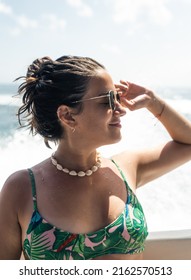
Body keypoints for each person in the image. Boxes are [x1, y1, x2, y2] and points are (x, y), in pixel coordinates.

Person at [0, 55, 191, 260]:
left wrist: (153, 101)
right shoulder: (21, 189)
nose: (121, 109)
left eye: (117, 97)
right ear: (67, 115)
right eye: (107, 100)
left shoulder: (126, 168)